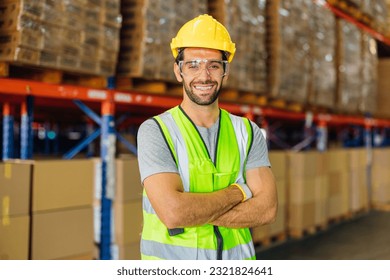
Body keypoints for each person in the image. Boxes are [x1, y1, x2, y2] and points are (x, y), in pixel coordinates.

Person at [137, 14, 277, 260]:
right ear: (178, 71)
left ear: (225, 72)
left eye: (213, 65)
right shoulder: (155, 131)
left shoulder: (248, 132)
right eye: (193, 65)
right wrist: (239, 192)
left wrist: (194, 211)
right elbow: (174, 214)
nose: (204, 76)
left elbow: (267, 210)